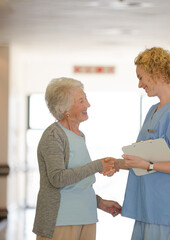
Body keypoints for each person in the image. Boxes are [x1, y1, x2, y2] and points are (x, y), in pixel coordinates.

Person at [118, 47, 170, 240]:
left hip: (166, 212)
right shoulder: (154, 110)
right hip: (148, 207)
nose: (139, 85)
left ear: (158, 73)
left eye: (141, 77)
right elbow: (145, 157)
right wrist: (115, 164)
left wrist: (148, 165)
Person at [33, 77, 122, 240]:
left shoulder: (79, 135)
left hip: (86, 217)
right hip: (61, 220)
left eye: (85, 98)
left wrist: (99, 203)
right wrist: (97, 165)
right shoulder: (54, 136)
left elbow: (78, 183)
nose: (88, 104)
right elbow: (57, 178)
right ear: (65, 108)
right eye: (81, 100)